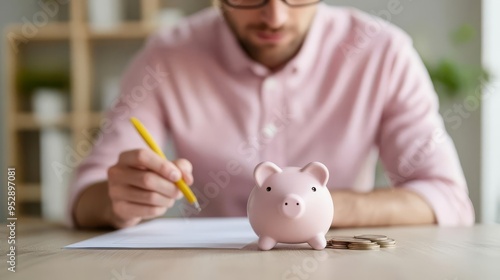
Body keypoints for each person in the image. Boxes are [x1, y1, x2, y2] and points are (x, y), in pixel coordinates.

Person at [68, 0, 475, 229]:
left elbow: (447, 198)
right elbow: (85, 195)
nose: (275, 17)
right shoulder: (165, 57)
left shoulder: (383, 53)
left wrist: (314, 206)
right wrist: (119, 200)